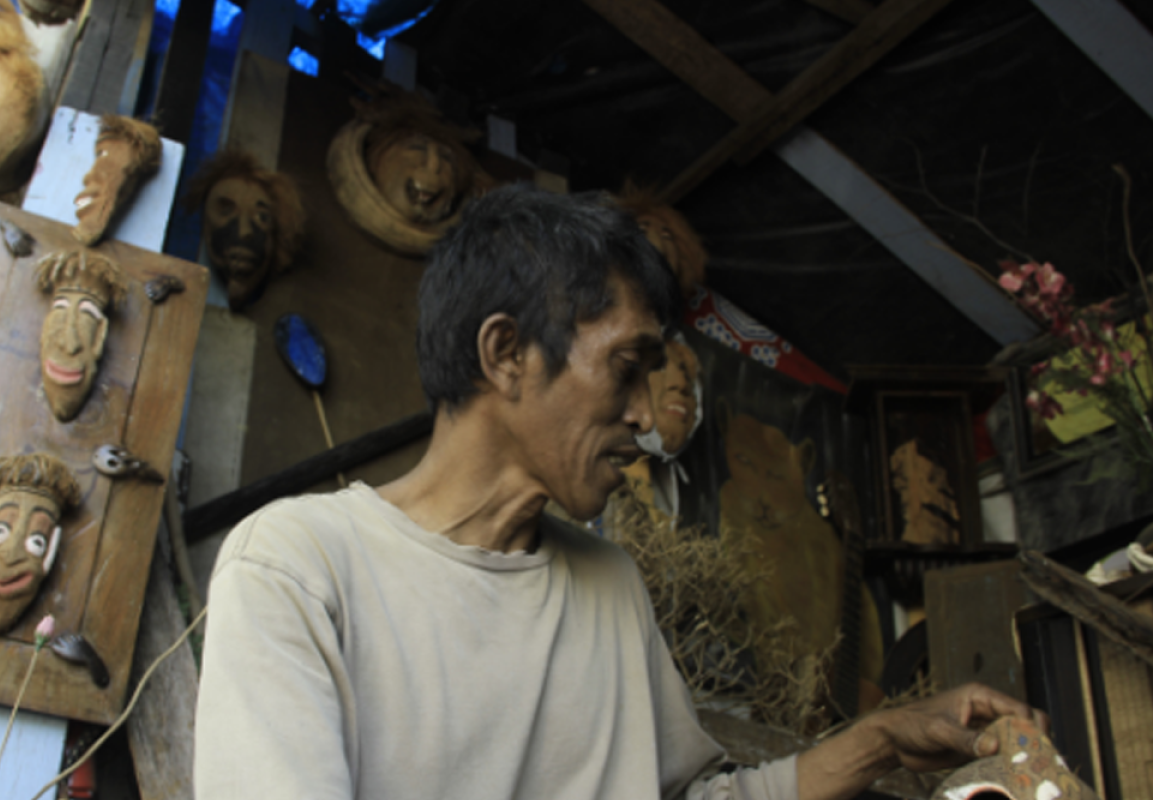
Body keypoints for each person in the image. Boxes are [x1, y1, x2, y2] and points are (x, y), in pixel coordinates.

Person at [194, 184, 1045, 800]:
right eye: (627, 368)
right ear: (506, 355)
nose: (644, 416)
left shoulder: (607, 581)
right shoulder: (300, 566)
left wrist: (882, 739)